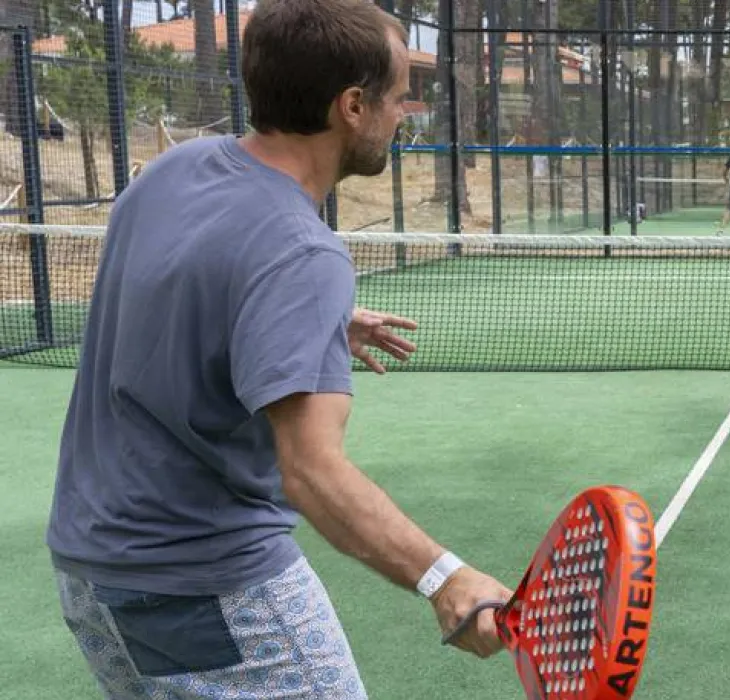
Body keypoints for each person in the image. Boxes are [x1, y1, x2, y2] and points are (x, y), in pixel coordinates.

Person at [45, 0, 512, 697]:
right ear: (352, 106)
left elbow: (173, 281)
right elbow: (312, 474)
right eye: (396, 97)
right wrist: (446, 578)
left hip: (87, 570)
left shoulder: (173, 171)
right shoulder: (302, 253)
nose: (402, 113)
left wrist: (300, 326)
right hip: (204, 585)